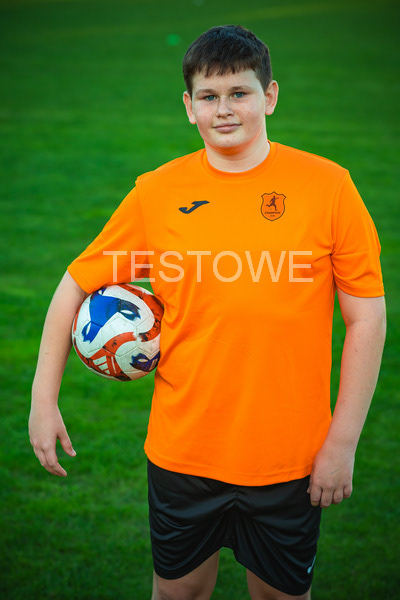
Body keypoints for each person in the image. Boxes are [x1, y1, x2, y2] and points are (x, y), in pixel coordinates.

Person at [29, 25, 386, 600]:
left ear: (270, 96)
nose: (224, 109)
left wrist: (342, 443)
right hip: (184, 453)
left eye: (239, 93)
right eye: (209, 96)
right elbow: (74, 285)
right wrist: (43, 401)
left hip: (289, 456)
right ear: (188, 106)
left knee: (280, 596)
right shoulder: (158, 192)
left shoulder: (328, 187)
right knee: (179, 593)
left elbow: (366, 319)